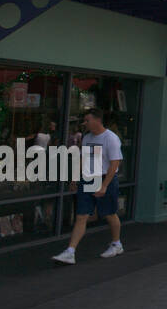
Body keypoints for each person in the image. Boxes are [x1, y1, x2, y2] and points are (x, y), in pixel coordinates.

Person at [52, 109, 124, 264]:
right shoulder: (87, 137)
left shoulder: (111, 138)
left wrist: (104, 185)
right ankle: (70, 251)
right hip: (88, 178)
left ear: (97, 120)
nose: (84, 123)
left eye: (87, 120)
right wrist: (76, 178)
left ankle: (117, 243)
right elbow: (83, 158)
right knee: (81, 215)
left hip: (105, 178)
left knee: (109, 213)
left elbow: (115, 163)